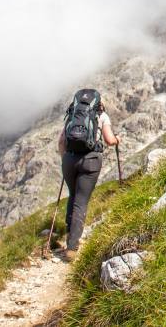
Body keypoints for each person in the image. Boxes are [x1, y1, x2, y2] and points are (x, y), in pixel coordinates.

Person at [58, 98, 119, 261]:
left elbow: (61, 141)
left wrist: (65, 159)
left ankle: (69, 234)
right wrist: (117, 140)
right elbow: (109, 140)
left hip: (69, 160)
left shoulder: (71, 115)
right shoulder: (102, 116)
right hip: (90, 160)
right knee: (81, 200)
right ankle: (72, 247)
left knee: (73, 195)